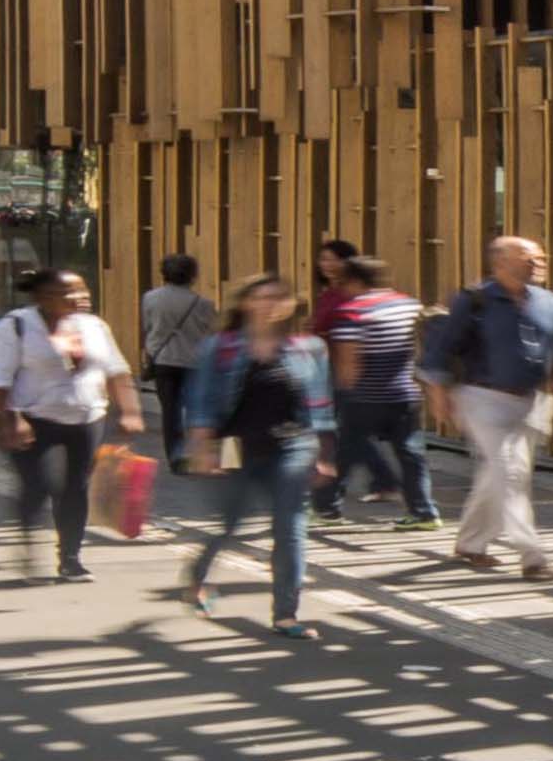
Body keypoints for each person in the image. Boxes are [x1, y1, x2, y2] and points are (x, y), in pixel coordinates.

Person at [418, 234, 553, 580]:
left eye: (541, 259)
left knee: (501, 475)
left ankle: (470, 542)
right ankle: (533, 556)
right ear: (501, 262)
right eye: (529, 259)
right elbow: (441, 348)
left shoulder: (551, 303)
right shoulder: (475, 300)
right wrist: (438, 393)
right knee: (510, 474)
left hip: (531, 400)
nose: (538, 264)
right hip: (482, 398)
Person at [177, 275, 319, 631]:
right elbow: (202, 401)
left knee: (290, 528)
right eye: (261, 297)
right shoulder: (220, 347)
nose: (269, 304)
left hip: (292, 445)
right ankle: (197, 575)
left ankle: (286, 614)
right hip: (233, 446)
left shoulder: (307, 348)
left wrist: (324, 452)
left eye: (278, 297)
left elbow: (318, 405)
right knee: (231, 524)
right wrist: (202, 446)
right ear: (245, 303)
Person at [0, 267, 130, 579]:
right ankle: (28, 542)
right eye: (69, 292)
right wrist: (11, 418)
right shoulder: (15, 326)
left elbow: (116, 369)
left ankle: (70, 558)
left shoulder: (94, 326)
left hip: (87, 417)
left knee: (76, 488)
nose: (80, 297)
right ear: (44, 298)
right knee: (38, 486)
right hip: (31, 418)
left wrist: (130, 410)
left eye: (83, 289)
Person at [315, 248, 433, 524]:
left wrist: (344, 392)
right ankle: (424, 512)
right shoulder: (409, 305)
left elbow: (348, 362)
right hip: (405, 392)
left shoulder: (352, 313)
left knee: (344, 453)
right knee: (411, 454)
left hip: (365, 396)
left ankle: (326, 508)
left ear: (354, 281)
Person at [135, 253, 218, 477]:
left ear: (164, 274)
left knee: (170, 412)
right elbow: (212, 332)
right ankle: (195, 455)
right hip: (194, 362)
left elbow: (148, 327)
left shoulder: (150, 298)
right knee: (194, 411)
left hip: (163, 360)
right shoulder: (203, 304)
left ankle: (175, 458)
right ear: (193, 276)